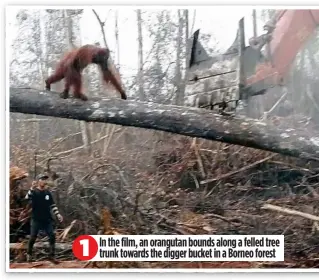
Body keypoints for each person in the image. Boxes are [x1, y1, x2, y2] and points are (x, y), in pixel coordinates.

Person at [25, 174, 63, 264]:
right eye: (42, 179)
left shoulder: (47, 193)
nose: (44, 181)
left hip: (47, 219)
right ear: (38, 181)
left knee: (52, 236)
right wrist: (31, 188)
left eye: (45, 179)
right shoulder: (34, 192)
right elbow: (27, 198)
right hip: (36, 219)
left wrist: (58, 214)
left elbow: (52, 205)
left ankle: (51, 256)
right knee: (33, 237)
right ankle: (29, 254)